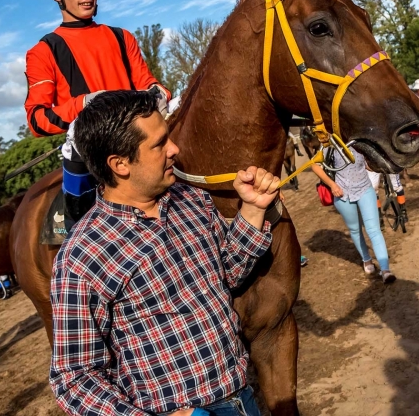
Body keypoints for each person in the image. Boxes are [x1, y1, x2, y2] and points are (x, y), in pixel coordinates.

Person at [50, 90, 277, 416]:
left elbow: (227, 274)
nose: (175, 150)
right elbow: (74, 378)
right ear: (120, 164)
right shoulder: (82, 257)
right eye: (159, 145)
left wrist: (253, 209)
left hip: (242, 396)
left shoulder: (191, 200)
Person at [24, 0, 170, 227]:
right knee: (76, 156)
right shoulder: (43, 52)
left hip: (142, 139)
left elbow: (147, 82)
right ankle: (76, 237)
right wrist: (83, 103)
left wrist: (158, 92)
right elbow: (36, 120)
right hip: (92, 153)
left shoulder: (122, 37)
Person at [311, 148, 396, 284]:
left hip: (364, 190)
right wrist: (332, 185)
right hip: (342, 195)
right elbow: (314, 165)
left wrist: (380, 166)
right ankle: (366, 259)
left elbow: (367, 165)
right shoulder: (330, 145)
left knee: (374, 230)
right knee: (355, 230)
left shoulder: (360, 142)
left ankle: (385, 270)